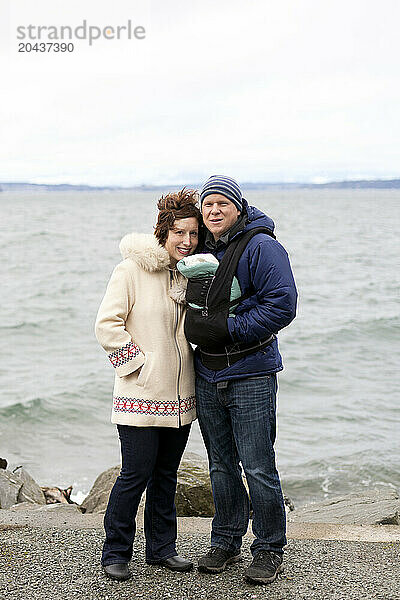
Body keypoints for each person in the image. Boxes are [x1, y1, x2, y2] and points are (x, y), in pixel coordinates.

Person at [189, 175, 297, 585]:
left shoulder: (262, 246)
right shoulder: (202, 248)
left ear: (239, 207)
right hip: (206, 371)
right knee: (220, 466)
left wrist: (231, 328)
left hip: (250, 370)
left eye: (222, 204)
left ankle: (269, 548)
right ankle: (226, 540)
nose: (214, 211)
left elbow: (283, 304)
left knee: (257, 466)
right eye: (208, 205)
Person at [95, 189, 201, 581]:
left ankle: (161, 549)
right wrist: (139, 366)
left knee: (166, 476)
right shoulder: (131, 270)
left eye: (192, 233)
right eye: (179, 233)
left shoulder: (190, 274)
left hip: (179, 398)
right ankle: (115, 552)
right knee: (134, 474)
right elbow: (107, 325)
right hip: (140, 394)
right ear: (163, 233)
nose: (186, 241)